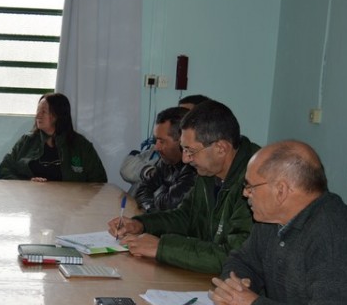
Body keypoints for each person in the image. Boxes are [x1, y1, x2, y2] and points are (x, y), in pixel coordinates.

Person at [210, 141, 347, 305]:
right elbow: (242, 260)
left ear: (281, 190)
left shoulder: (333, 237)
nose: (245, 193)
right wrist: (236, 287)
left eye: (250, 186)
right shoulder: (271, 219)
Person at [107, 100, 258, 273]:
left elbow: (234, 257)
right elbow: (186, 216)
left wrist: (162, 247)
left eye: (190, 151)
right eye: (183, 149)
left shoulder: (256, 182)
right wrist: (141, 224)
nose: (185, 159)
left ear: (221, 148)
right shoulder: (209, 169)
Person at [0, 93, 107, 182]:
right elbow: (4, 169)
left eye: (43, 111)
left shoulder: (81, 146)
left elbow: (99, 181)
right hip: (31, 202)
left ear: (58, 115)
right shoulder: (27, 141)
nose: (37, 115)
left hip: (69, 205)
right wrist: (27, 182)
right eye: (38, 111)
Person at [120, 94, 208, 196]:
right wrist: (148, 172)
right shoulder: (158, 147)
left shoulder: (195, 166)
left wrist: (154, 185)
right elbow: (127, 165)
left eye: (187, 115)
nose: (181, 120)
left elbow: (169, 203)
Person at [133, 106, 196, 212]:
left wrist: (156, 192)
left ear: (182, 140)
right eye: (155, 140)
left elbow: (168, 205)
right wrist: (150, 208)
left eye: (161, 141)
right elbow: (141, 190)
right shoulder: (165, 161)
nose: (156, 147)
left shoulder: (194, 168)